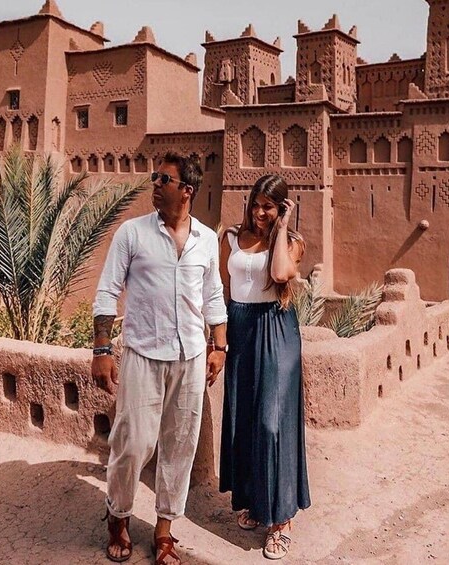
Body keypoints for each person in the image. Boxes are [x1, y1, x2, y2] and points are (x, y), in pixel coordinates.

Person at [92, 151, 228, 564]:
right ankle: (118, 515)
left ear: (186, 190)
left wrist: (219, 346)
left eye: (163, 179)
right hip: (143, 354)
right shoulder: (133, 233)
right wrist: (101, 349)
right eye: (155, 177)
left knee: (180, 445)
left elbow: (213, 295)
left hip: (190, 356)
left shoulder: (206, 239)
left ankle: (165, 530)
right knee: (132, 443)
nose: (155, 184)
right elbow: (107, 291)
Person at [219, 174, 311, 560]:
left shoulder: (291, 243)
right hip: (240, 327)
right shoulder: (230, 236)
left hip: (275, 329)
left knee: (272, 423)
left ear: (281, 207)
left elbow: (279, 275)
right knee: (245, 417)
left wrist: (283, 226)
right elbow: (224, 287)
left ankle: (281, 520)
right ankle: (257, 504)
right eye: (256, 204)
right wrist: (219, 335)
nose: (260, 213)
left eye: (269, 207)